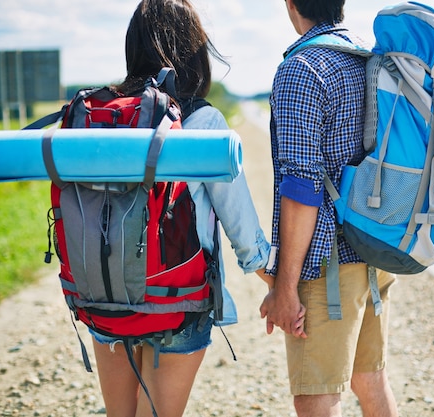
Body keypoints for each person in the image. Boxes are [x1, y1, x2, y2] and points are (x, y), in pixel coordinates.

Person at [90, 1, 271, 416]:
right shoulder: (203, 121)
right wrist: (276, 282)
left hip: (105, 296)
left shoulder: (103, 118)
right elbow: (240, 225)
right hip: (178, 300)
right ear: (194, 50)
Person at [259, 0, 399, 416]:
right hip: (375, 249)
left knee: (317, 396)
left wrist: (285, 286)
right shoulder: (371, 59)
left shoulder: (303, 69)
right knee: (370, 380)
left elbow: (303, 188)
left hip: (327, 266)